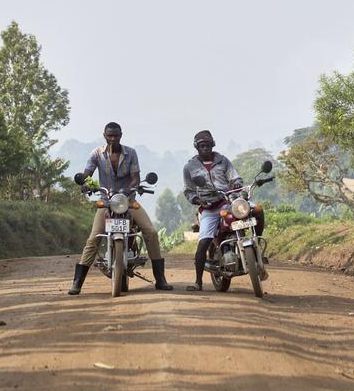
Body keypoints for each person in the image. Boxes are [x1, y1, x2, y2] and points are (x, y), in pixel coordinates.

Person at [68, 122, 172, 295]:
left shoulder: (130, 153)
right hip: (107, 202)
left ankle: (160, 279)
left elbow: (135, 177)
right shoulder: (97, 154)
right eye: (110, 135)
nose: (113, 138)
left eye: (116, 135)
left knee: (151, 232)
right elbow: (87, 172)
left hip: (128, 201)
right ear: (104, 135)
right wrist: (85, 182)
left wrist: (131, 188)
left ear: (121, 135)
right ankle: (77, 283)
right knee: (94, 238)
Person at [182, 130, 265, 291]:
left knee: (257, 210)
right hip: (209, 207)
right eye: (201, 145)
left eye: (208, 144)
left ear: (213, 144)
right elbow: (188, 191)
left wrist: (237, 187)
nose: (205, 148)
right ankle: (198, 282)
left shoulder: (222, 160)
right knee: (203, 242)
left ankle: (258, 245)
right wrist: (199, 200)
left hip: (229, 201)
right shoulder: (190, 167)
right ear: (197, 147)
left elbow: (235, 177)